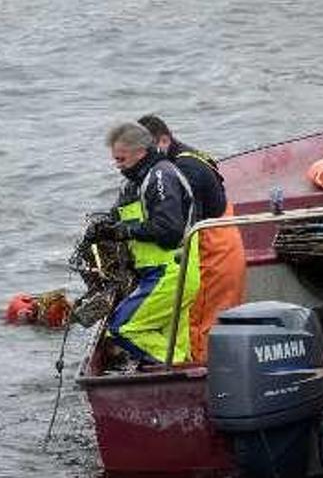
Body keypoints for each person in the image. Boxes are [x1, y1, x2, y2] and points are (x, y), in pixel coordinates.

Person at [138, 115, 246, 364]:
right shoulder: (188, 156)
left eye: (146, 152)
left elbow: (179, 228)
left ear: (163, 141)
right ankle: (224, 367)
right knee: (220, 320)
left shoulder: (185, 171)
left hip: (212, 252)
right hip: (226, 242)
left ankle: (201, 378)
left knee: (200, 326)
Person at [95, 122, 200, 365]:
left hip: (171, 273)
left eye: (121, 159)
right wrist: (108, 227)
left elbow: (170, 231)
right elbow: (131, 216)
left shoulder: (161, 175)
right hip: (160, 274)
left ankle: (175, 369)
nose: (118, 166)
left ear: (140, 152)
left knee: (123, 328)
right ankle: (183, 380)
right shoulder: (136, 181)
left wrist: (125, 232)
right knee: (176, 342)